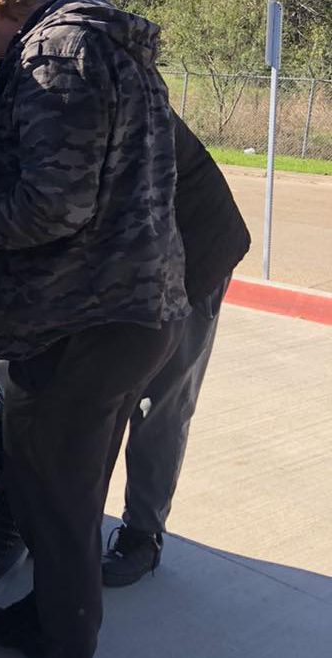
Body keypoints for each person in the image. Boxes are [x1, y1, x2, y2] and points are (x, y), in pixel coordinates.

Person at [0, 1, 188, 658]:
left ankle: (67, 657)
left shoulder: (55, 52)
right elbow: (75, 182)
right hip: (126, 312)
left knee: (54, 501)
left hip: (79, 324)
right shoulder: (109, 47)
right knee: (64, 496)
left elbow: (56, 205)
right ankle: (47, 615)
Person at [102, 111, 251, 586]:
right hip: (141, 262)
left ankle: (142, 536)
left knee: (158, 403)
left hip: (193, 258)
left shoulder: (101, 91)